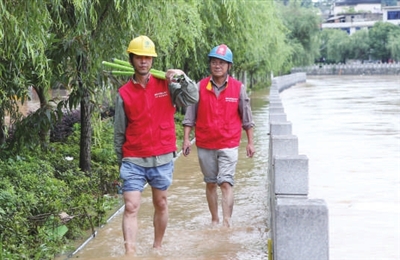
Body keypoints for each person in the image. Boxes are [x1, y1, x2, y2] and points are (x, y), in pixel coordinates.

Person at [114, 35, 199, 255]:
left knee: (161, 203)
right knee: (131, 206)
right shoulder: (123, 93)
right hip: (133, 157)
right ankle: (130, 253)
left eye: (148, 58)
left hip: (162, 157)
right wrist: (119, 162)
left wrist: (182, 77)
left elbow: (192, 98)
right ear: (132, 59)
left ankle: (157, 247)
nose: (143, 61)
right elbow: (119, 131)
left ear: (152, 61)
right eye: (139, 57)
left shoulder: (167, 85)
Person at [182, 44, 255, 228]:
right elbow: (190, 115)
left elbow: (247, 117)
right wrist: (185, 139)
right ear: (210, 65)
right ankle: (214, 219)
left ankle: (227, 222)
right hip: (205, 143)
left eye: (222, 63)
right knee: (211, 183)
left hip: (229, 143)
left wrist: (250, 142)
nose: (217, 66)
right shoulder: (199, 87)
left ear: (229, 66)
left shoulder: (238, 88)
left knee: (226, 183)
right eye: (214, 62)